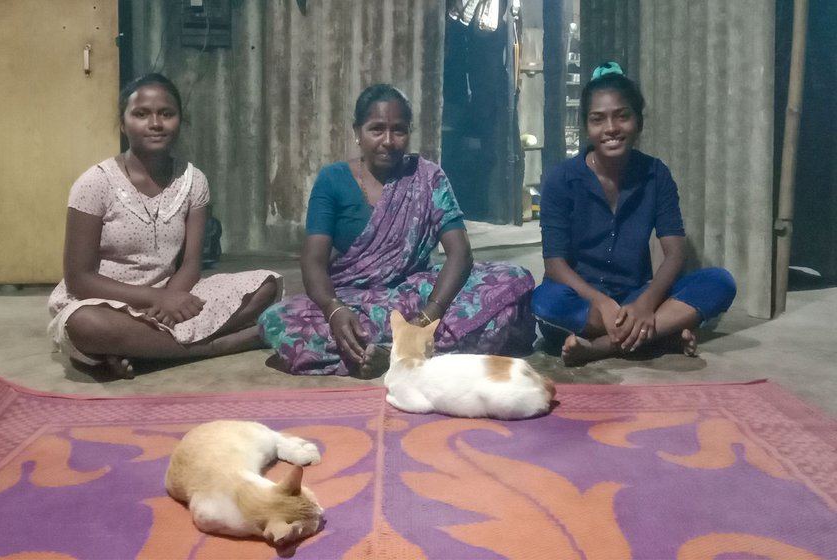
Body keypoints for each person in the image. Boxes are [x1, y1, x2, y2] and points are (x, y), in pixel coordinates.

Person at [258, 84, 535, 376]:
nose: (388, 141)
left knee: (511, 280)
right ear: (357, 132)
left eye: (398, 130)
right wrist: (334, 308)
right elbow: (313, 260)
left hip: (418, 295)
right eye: (376, 129)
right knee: (278, 319)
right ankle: (411, 354)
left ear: (409, 132)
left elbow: (460, 253)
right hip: (356, 299)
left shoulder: (428, 177)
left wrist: (429, 317)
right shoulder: (332, 180)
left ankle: (387, 353)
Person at [48, 73, 282, 379]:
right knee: (85, 325)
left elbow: (192, 263)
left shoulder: (193, 180)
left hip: (173, 293)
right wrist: (156, 300)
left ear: (180, 121)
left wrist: (170, 298)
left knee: (266, 285)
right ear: (123, 123)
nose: (155, 123)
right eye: (141, 114)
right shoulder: (95, 183)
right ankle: (216, 346)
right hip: (105, 301)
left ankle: (140, 350)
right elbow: (79, 278)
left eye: (166, 114)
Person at [532, 62, 736, 366]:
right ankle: (659, 334)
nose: (611, 128)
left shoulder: (656, 175)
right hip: (580, 299)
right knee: (544, 302)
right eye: (598, 119)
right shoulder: (561, 179)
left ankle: (604, 346)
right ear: (587, 127)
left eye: (622, 116)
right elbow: (555, 264)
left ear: (638, 122)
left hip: (636, 294)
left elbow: (675, 253)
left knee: (720, 282)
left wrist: (646, 302)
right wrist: (601, 302)